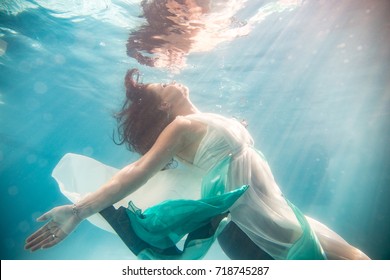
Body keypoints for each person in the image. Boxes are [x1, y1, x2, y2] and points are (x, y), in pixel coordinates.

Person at [25, 69, 370, 260]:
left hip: (275, 219)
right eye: (162, 86)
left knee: (358, 261)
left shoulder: (203, 123)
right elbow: (137, 172)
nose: (169, 80)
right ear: (162, 107)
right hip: (257, 233)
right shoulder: (181, 128)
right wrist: (80, 210)